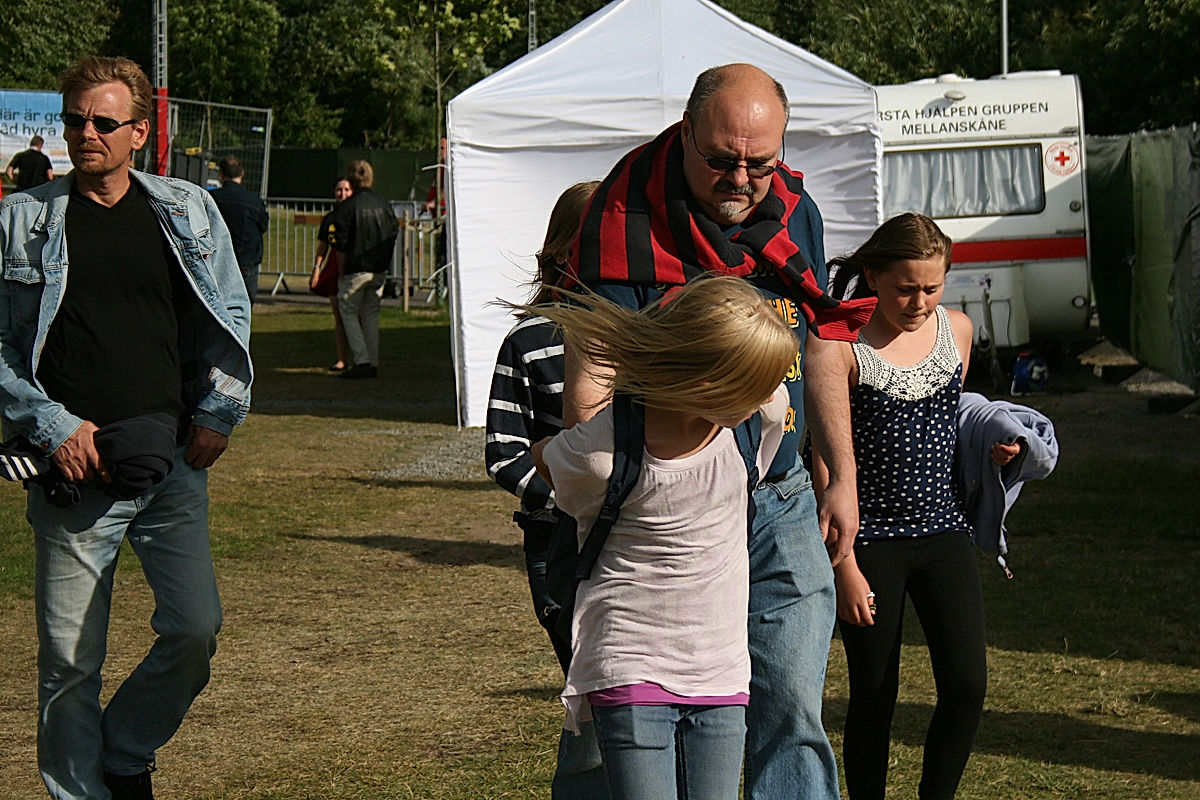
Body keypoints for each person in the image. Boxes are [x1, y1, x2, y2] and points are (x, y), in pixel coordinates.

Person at [560, 62, 875, 800]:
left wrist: (841, 476)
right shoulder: (620, 216)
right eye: (722, 159)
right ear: (686, 130)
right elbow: (593, 368)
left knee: (791, 701)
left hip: (779, 493)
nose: (741, 178)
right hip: (666, 503)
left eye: (759, 163)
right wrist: (599, 491)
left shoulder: (796, 208)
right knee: (626, 701)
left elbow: (822, 339)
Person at [0, 55, 253, 800]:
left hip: (171, 462)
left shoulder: (187, 210)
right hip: (72, 477)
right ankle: (80, 792)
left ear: (140, 131)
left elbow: (229, 315)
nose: (85, 135)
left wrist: (217, 412)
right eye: (74, 120)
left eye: (103, 123)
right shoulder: (21, 221)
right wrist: (51, 426)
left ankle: (123, 750)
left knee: (195, 630)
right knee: (69, 663)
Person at [531, 276, 797, 800]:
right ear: (706, 382)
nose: (769, 394)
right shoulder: (604, 448)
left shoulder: (758, 416)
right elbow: (549, 459)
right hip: (629, 661)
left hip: (721, 669)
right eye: (752, 383)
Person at [814, 213, 1019, 800]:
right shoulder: (843, 346)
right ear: (874, 276)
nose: (920, 301)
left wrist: (992, 447)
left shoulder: (957, 329)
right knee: (875, 691)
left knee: (967, 684)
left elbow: (953, 417)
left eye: (932, 287)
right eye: (906, 287)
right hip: (870, 541)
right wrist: (843, 563)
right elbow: (827, 464)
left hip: (943, 532)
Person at [485, 179, 599, 672]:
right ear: (566, 249)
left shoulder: (649, 334)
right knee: (589, 700)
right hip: (558, 542)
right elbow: (504, 454)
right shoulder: (528, 341)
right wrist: (571, 500)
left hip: (635, 537)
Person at [330, 159, 399, 379]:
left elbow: (340, 244)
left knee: (348, 311)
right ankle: (372, 360)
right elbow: (392, 235)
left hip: (355, 268)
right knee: (370, 315)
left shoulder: (346, 208)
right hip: (378, 269)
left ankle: (362, 360)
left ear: (350, 178)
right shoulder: (384, 205)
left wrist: (341, 271)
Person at [210, 154, 269, 303]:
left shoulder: (211, 199)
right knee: (244, 310)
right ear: (242, 173)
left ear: (221, 175)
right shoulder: (254, 202)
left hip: (218, 263)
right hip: (246, 263)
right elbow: (263, 226)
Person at [312, 177, 354, 371]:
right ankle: (341, 358)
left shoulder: (356, 214)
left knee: (355, 316)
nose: (342, 194)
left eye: (346, 190)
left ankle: (360, 357)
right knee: (339, 317)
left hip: (353, 267)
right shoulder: (330, 218)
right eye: (339, 190)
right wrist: (316, 269)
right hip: (333, 269)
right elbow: (323, 246)